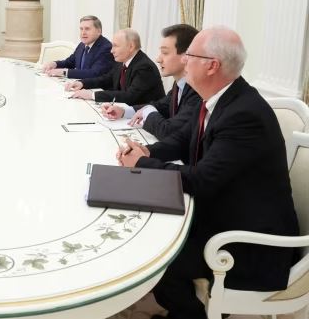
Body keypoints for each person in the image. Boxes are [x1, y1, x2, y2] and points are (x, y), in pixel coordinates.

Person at [118, 27, 299, 319]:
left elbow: (201, 180)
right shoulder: (218, 98)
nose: (184, 60)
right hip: (226, 212)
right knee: (151, 232)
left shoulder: (244, 114)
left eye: (190, 55)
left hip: (249, 241)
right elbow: (182, 140)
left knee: (158, 260)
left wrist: (142, 165)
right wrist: (147, 152)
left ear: (212, 66)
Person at [102, 24, 201, 140]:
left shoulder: (198, 90)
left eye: (165, 53)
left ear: (186, 56)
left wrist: (148, 112)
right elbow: (162, 105)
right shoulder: (179, 84)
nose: (158, 59)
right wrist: (124, 111)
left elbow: (169, 132)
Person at [65, 28, 164, 105]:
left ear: (131, 46)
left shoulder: (144, 67)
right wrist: (82, 83)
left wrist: (92, 95)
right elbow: (107, 79)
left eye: (115, 46)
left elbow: (129, 96)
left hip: (145, 119)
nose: (112, 51)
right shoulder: (122, 60)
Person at [41, 15, 115, 79]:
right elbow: (70, 62)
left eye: (87, 29)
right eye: (81, 29)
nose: (83, 33)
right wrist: (55, 64)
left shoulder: (106, 47)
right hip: (80, 84)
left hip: (97, 88)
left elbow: (93, 73)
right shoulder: (82, 45)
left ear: (99, 31)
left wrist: (64, 72)